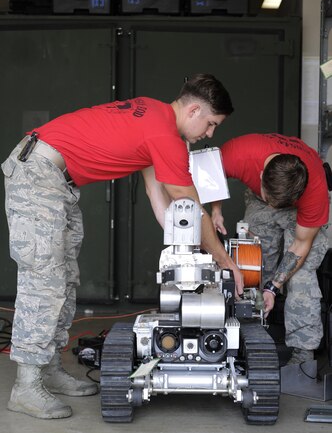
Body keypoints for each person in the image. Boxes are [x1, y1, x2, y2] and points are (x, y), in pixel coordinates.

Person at [1, 73, 243, 419]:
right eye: (211, 124)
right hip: (40, 174)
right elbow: (191, 207)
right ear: (193, 111)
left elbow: (160, 199)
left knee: (64, 278)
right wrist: (222, 259)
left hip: (56, 181)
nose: (209, 134)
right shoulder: (164, 134)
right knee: (44, 280)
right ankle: (26, 386)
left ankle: (49, 369)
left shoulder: (155, 115)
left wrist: (184, 252)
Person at [211, 133, 330, 365]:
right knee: (253, 264)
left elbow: (301, 244)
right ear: (262, 175)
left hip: (301, 208)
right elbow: (213, 173)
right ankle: (252, 338)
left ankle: (302, 356)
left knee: (301, 277)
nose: (278, 209)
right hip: (259, 200)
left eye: (280, 205)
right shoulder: (239, 153)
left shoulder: (313, 190)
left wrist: (274, 288)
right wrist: (216, 210)